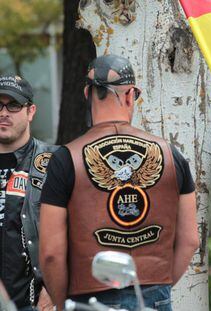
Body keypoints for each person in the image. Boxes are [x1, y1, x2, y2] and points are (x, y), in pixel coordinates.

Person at [39, 55, 199, 311]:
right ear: (130, 95)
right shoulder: (171, 155)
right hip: (154, 294)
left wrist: (62, 304)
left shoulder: (65, 158)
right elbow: (191, 240)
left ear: (87, 94)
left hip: (89, 300)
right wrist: (160, 287)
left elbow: (50, 254)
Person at [0, 75, 57, 310]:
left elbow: (77, 231)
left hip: (32, 301)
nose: (4, 113)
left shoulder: (55, 162)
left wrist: (54, 289)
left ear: (30, 111)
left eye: (13, 105)